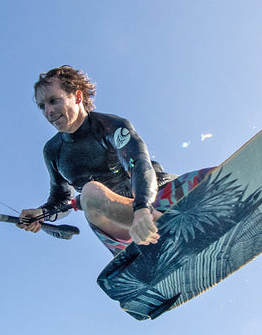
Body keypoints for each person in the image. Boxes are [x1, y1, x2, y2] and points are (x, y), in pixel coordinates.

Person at [20, 66, 212, 253]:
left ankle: (160, 222)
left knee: (216, 175)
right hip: (121, 227)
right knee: (90, 193)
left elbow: (138, 163)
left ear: (77, 97)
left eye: (53, 101)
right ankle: (160, 233)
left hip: (155, 199)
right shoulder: (53, 151)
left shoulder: (109, 126)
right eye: (42, 106)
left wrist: (142, 208)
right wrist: (41, 214)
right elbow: (61, 199)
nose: (48, 111)